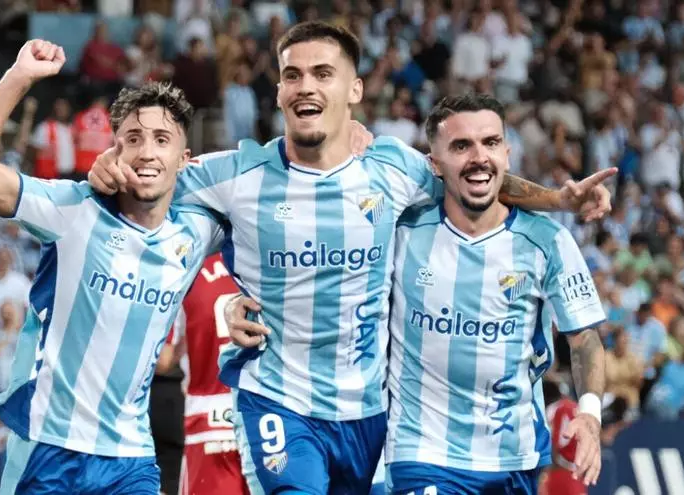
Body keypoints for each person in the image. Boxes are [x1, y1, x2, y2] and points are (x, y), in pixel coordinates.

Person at [87, 21, 614, 494]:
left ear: (354, 89)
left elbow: (473, 175)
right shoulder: (235, 175)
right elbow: (149, 177)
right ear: (279, 92)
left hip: (369, 414)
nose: (306, 86)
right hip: (278, 399)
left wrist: (557, 199)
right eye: (292, 76)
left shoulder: (394, 170)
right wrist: (107, 171)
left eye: (323, 74)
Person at [226, 94, 607, 493]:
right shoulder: (399, 228)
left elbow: (584, 338)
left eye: (491, 143)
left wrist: (590, 413)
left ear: (507, 154)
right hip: (422, 454)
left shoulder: (548, 242)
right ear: (433, 164)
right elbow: (320, 271)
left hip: (515, 457)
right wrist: (238, 302)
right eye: (461, 146)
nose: (479, 156)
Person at [0, 39, 225, 494]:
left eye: (162, 140)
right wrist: (20, 76)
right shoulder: (73, 209)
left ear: (184, 160)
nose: (147, 152)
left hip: (131, 457)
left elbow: (271, 208)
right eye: (133, 139)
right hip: (49, 449)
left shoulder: (198, 231)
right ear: (113, 151)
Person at [177, 253, 249, 495]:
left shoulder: (187, 267)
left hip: (207, 425)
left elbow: (164, 359)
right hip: (265, 417)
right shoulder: (265, 263)